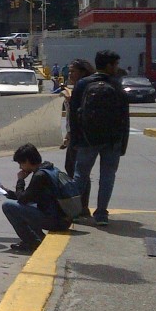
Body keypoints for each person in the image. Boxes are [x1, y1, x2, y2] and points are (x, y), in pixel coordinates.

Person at [69, 49, 130, 227]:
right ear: (109, 65)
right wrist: (123, 143)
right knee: (107, 176)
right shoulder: (117, 85)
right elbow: (124, 117)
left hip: (87, 139)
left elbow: (74, 115)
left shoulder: (82, 84)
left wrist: (75, 140)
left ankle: (73, 212)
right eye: (115, 64)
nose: (116, 68)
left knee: (80, 175)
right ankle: (102, 213)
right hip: (112, 141)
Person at [1, 143, 73, 253]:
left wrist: (20, 180)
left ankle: (31, 242)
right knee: (25, 206)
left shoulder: (39, 176)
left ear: (28, 161)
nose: (20, 167)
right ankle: (37, 238)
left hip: (56, 221)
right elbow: (31, 196)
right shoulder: (49, 169)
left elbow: (23, 199)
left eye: (21, 163)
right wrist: (9, 193)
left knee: (8, 206)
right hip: (63, 218)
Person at [60, 58, 94, 218]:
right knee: (72, 169)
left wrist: (70, 100)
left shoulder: (84, 88)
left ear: (82, 72)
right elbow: (70, 119)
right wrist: (67, 136)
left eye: (73, 71)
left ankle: (81, 207)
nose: (70, 73)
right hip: (74, 135)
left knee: (79, 173)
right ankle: (80, 206)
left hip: (82, 137)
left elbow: (79, 114)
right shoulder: (75, 88)